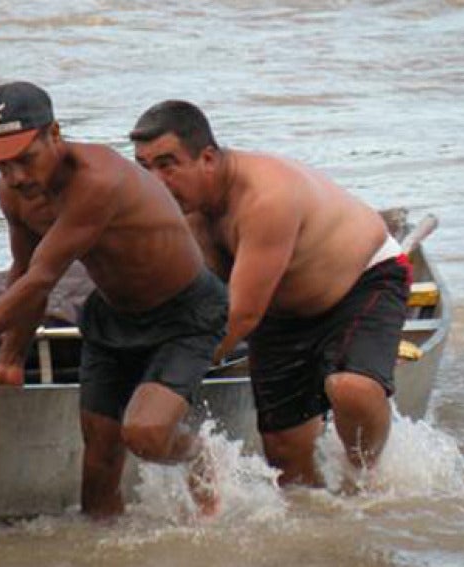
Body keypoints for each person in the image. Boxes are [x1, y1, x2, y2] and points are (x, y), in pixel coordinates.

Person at [0, 82, 227, 518]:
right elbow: (22, 272)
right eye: (1, 166)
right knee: (98, 464)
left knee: (145, 435)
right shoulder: (14, 193)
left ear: (54, 134)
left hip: (184, 312)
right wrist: (10, 359)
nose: (15, 177)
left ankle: (199, 453)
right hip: (112, 315)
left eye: (25, 159)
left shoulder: (98, 180)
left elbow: (41, 280)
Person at [129, 101, 411, 490]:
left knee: (352, 388)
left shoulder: (265, 197)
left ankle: (366, 479)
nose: (155, 180)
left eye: (167, 164)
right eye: (145, 168)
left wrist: (169, 379)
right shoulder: (179, 205)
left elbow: (241, 317)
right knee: (285, 459)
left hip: (360, 283)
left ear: (207, 158)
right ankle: (322, 523)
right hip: (277, 309)